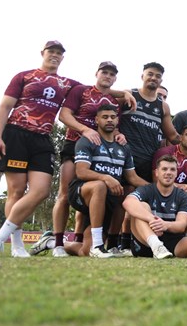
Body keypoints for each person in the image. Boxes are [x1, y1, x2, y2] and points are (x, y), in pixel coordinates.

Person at [0, 40, 131, 258]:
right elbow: (5, 106)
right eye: (51, 51)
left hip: (44, 139)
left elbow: (97, 88)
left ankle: (0, 237)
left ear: (63, 57)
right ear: (42, 53)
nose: (54, 55)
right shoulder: (24, 76)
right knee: (19, 191)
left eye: (59, 53)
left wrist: (124, 93)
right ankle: (22, 244)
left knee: (41, 191)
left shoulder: (67, 83)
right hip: (21, 134)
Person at [30, 60, 125, 257]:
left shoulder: (116, 102)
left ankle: (80, 240)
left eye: (111, 74)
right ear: (97, 73)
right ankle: (56, 243)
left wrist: (118, 134)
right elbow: (64, 115)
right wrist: (84, 129)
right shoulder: (81, 91)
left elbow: (113, 124)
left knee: (90, 194)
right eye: (104, 72)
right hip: (75, 144)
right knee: (65, 194)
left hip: (100, 150)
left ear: (115, 78)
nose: (107, 76)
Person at [63, 104, 149, 257]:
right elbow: (81, 172)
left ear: (117, 121)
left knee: (128, 190)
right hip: (82, 192)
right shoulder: (88, 140)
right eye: (105, 117)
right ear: (97, 120)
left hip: (107, 199)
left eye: (113, 117)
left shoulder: (123, 147)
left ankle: (113, 245)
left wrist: (157, 188)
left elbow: (132, 178)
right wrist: (106, 177)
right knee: (100, 186)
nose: (109, 120)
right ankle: (97, 246)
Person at [120, 62, 179, 183]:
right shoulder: (128, 95)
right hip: (125, 154)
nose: (153, 78)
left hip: (147, 158)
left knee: (142, 197)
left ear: (161, 81)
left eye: (157, 76)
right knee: (121, 193)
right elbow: (108, 115)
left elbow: (173, 136)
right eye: (150, 74)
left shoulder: (163, 106)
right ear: (142, 76)